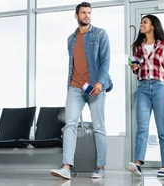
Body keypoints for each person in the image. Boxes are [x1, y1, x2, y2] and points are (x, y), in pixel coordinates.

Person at [50, 2, 112, 180]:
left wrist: (100, 83)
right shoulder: (71, 39)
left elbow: (105, 60)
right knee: (70, 125)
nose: (87, 15)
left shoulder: (100, 34)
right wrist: (70, 85)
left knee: (99, 126)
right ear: (76, 16)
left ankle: (100, 167)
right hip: (75, 87)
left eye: (89, 12)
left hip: (95, 87)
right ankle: (66, 167)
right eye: (83, 12)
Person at [126, 14, 164, 177]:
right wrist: (134, 68)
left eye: (144, 22)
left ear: (153, 26)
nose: (141, 25)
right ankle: (137, 164)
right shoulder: (137, 46)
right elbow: (136, 68)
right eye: (140, 23)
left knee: (162, 130)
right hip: (143, 88)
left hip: (160, 88)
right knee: (142, 128)